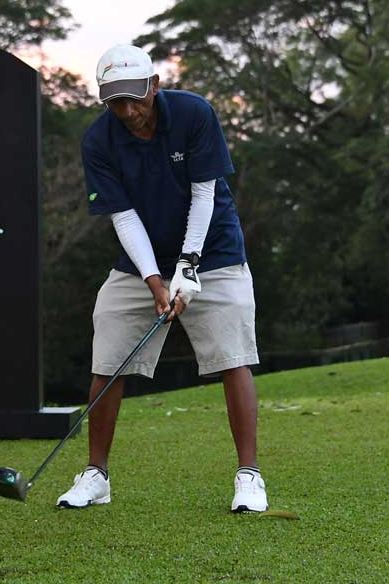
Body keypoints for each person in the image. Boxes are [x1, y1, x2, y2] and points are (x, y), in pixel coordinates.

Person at [57, 44, 267, 513]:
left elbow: (204, 195)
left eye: (134, 98)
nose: (128, 111)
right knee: (107, 353)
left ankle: (249, 475)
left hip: (214, 250)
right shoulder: (99, 140)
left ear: (154, 85)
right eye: (116, 102)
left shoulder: (194, 114)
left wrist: (188, 266)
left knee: (233, 356)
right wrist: (156, 281)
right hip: (141, 259)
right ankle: (96, 476)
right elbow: (124, 217)